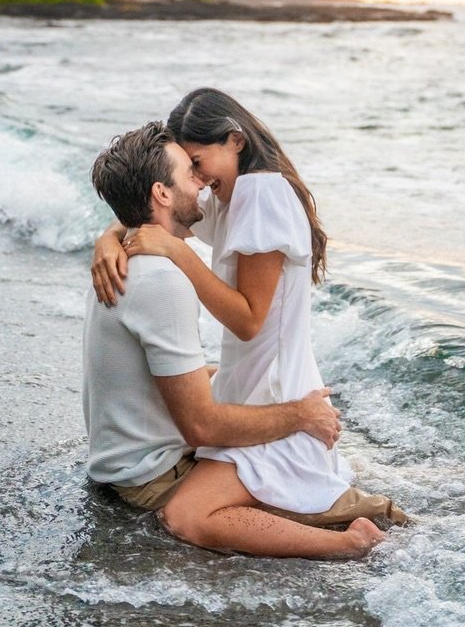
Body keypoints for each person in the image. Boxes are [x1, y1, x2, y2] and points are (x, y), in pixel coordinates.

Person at [91, 89, 407, 549]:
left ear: (234, 142)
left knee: (191, 513)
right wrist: (109, 235)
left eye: (198, 161)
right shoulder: (235, 193)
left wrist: (178, 253)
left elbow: (249, 321)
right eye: (189, 169)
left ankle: (355, 542)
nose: (196, 177)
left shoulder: (262, 194)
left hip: (271, 395)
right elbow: (159, 210)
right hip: (251, 387)